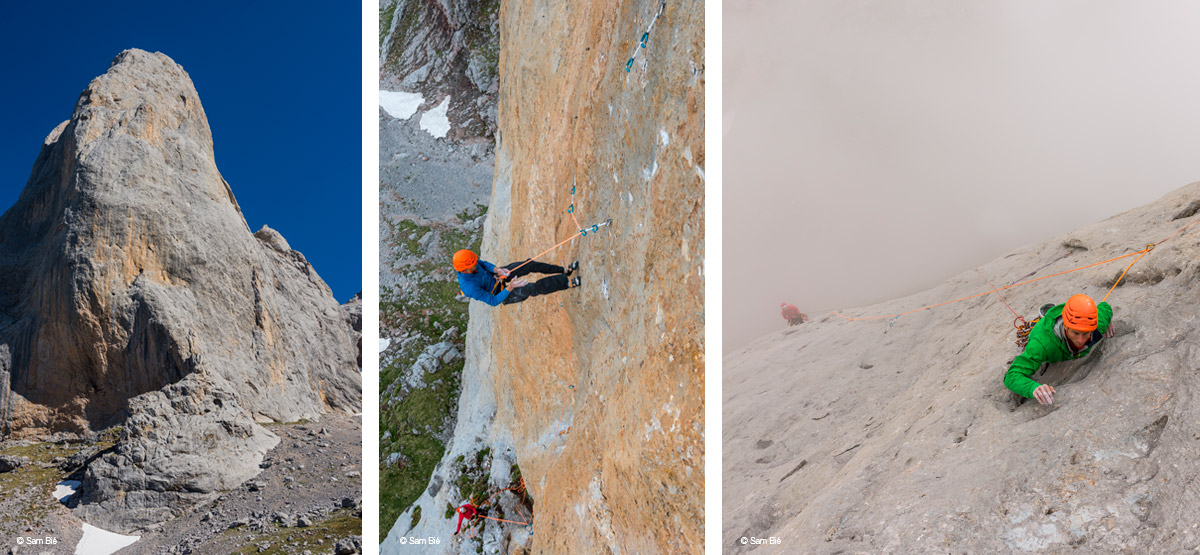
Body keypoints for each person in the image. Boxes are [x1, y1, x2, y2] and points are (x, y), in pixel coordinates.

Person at [1003, 293, 1115, 405]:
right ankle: (1044, 318)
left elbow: (1105, 308)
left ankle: (1048, 315)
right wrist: (1033, 388)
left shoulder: (1097, 325)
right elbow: (1012, 376)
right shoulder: (1042, 344)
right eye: (1075, 333)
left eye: (1086, 334)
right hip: (1042, 334)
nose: (1081, 340)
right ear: (1066, 327)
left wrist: (1108, 322)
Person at [453, 249, 579, 306]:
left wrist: (497, 269)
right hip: (500, 293)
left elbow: (483, 264)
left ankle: (563, 270)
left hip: (497, 277)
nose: (476, 264)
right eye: (473, 264)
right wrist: (510, 287)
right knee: (531, 288)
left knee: (528, 265)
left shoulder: (471, 263)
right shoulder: (469, 287)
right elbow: (493, 301)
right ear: (465, 269)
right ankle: (567, 283)